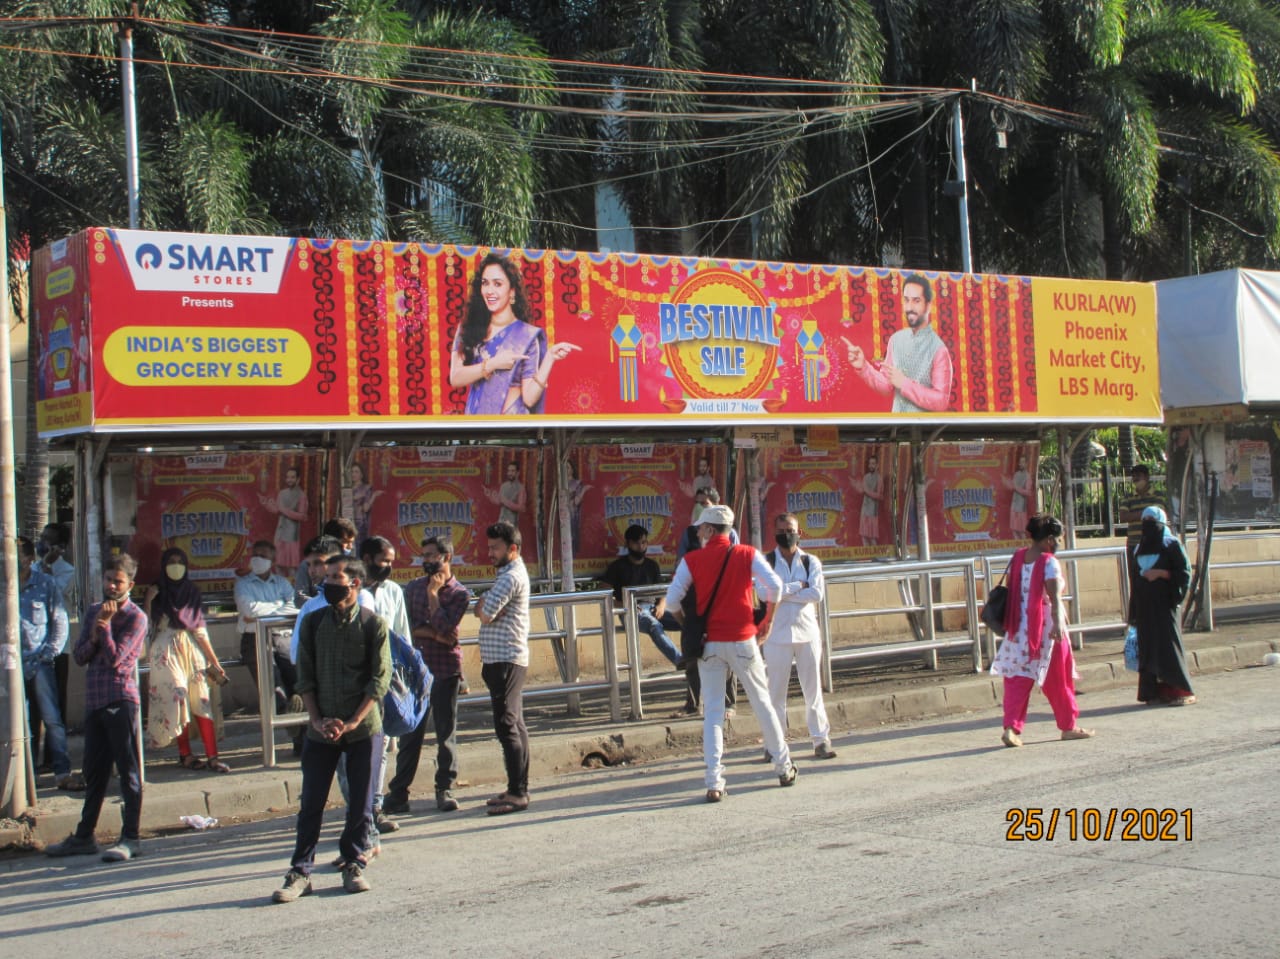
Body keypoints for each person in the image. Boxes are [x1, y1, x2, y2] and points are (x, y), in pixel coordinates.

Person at [273, 555, 390, 902]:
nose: (329, 583)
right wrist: (316, 719)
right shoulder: (313, 622)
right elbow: (304, 676)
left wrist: (353, 720)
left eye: (336, 577)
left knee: (361, 803)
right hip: (321, 728)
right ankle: (300, 871)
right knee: (311, 802)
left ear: (355, 583)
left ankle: (354, 862)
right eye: (326, 577)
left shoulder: (373, 625)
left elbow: (379, 680)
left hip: (362, 727)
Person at [664, 505, 796, 803]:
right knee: (763, 704)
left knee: (712, 712)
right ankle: (783, 767)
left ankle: (714, 782)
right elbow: (774, 587)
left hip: (709, 645)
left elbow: (672, 601)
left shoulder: (691, 560)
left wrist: (689, 627)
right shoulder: (747, 554)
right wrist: (768, 621)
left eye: (700, 529)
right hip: (743, 641)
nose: (697, 533)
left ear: (710, 530)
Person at [45, 554, 149, 863]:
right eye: (108, 579)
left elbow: (119, 660)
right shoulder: (93, 611)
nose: (112, 586)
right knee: (94, 772)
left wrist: (103, 629)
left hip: (120, 699)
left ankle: (131, 837)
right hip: (94, 701)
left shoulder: (135, 617)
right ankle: (84, 836)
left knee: (128, 771)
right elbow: (80, 656)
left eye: (118, 581)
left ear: (130, 584)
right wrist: (97, 629)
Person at [990, 514, 1096, 747]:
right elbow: (1054, 598)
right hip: (1046, 630)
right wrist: (1058, 624)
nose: (1059, 543)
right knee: (1059, 678)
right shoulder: (1048, 562)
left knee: (1016, 680)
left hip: (1018, 630)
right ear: (1048, 539)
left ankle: (1011, 728)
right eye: (1058, 539)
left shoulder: (1018, 557)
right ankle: (1068, 726)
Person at [386, 536, 471, 815]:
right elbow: (409, 629)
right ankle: (399, 793)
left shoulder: (459, 593)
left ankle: (444, 788)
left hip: (445, 669)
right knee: (411, 733)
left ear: (446, 558)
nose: (426, 560)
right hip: (417, 671)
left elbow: (449, 630)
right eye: (423, 555)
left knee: (446, 732)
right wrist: (435, 633)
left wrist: (435, 598)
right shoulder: (412, 589)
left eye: (432, 555)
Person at [448, 252, 581, 415]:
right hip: (477, 428)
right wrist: (493, 364)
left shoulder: (527, 335)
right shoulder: (468, 328)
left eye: (497, 284)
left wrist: (550, 359)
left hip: (515, 428)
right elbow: (455, 378)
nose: (490, 291)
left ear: (511, 292)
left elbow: (529, 399)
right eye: (485, 283)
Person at [143, 547, 231, 773]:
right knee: (178, 698)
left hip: (190, 649)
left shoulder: (191, 592)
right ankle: (185, 754)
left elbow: (200, 631)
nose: (175, 565)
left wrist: (214, 660)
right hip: (165, 651)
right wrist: (148, 601)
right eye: (171, 561)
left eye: (179, 561)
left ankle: (213, 757)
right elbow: (145, 627)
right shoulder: (157, 591)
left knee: (201, 701)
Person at [762, 514, 837, 761]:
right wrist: (797, 586)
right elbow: (764, 594)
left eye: (790, 529)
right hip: (776, 635)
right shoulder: (767, 561)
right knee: (775, 693)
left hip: (807, 633)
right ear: (775, 532)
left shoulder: (810, 561)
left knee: (812, 690)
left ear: (799, 532)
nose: (786, 533)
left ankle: (820, 740)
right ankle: (775, 745)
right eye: (782, 529)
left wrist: (783, 591)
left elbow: (816, 593)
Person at [475, 521, 532, 815]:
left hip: (506, 660)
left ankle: (518, 792)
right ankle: (516, 787)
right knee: (515, 724)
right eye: (489, 547)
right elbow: (489, 612)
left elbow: (485, 613)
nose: (490, 553)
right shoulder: (507, 575)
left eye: (495, 548)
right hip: (502, 659)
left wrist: (481, 607)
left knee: (507, 725)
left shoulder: (510, 577)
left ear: (512, 548)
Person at [357, 535, 411, 835]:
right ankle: (359, 808)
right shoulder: (352, 590)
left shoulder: (393, 591)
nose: (388, 567)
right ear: (366, 559)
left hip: (387, 680)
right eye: (383, 561)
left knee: (384, 745)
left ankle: (374, 808)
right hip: (357, 681)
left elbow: (403, 635)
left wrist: (407, 679)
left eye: (391, 562)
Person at [17, 535, 77, 791]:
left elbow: (60, 621)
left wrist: (49, 653)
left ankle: (62, 772)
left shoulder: (45, 583)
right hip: (11, 665)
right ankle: (23, 778)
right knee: (17, 722)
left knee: (51, 719)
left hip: (40, 661)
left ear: (29, 559)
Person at [843, 273, 953, 412]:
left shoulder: (938, 349)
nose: (909, 307)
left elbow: (941, 401)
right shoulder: (896, 339)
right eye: (906, 300)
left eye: (916, 301)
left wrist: (904, 384)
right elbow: (886, 385)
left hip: (926, 430)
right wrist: (863, 366)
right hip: (897, 428)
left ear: (928, 305)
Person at [1129, 506, 1196, 706]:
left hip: (1166, 604)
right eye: (1145, 519)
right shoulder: (1139, 547)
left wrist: (1160, 574)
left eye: (1152, 519)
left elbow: (1184, 573)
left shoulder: (1171, 544)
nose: (1148, 523)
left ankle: (1182, 691)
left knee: (1169, 646)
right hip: (1145, 607)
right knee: (1149, 648)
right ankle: (1155, 692)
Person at [601, 524, 681, 670]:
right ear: (628, 544)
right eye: (636, 543)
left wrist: (661, 605)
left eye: (644, 542)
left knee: (687, 622)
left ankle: (698, 659)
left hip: (653, 609)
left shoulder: (652, 566)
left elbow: (661, 591)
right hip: (630, 612)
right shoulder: (617, 567)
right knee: (654, 625)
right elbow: (604, 594)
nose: (641, 546)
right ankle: (681, 662)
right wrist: (622, 605)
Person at [234, 540, 299, 714]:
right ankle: (283, 715)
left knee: (297, 681)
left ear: (273, 561)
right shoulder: (243, 583)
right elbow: (249, 610)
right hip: (254, 639)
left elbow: (295, 606)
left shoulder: (282, 583)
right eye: (255, 555)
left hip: (283, 636)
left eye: (262, 556)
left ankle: (299, 722)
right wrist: (279, 605)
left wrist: (260, 613)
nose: (257, 559)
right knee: (272, 686)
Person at [34, 522, 74, 769]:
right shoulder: (34, 568)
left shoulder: (68, 571)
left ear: (60, 546)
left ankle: (53, 758)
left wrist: (49, 566)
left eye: (49, 539)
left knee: (55, 706)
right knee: (34, 708)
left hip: (59, 648)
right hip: (34, 649)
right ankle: (31, 757)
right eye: (42, 538)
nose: (43, 543)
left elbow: (54, 597)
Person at [1119, 465, 1163, 583]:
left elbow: (1156, 515)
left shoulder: (1158, 495)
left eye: (1138, 475)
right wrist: (1146, 512)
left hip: (1153, 544)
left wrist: (1134, 515)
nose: (1135, 479)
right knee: (1135, 578)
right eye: (1133, 476)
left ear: (1147, 477)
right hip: (1134, 543)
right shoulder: (1128, 497)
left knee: (1154, 579)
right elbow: (1123, 517)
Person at [260, 466, 309, 572]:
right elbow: (277, 510)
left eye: (292, 477)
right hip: (280, 533)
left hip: (292, 536)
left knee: (291, 568)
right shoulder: (282, 493)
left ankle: (291, 587)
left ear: (298, 479)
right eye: (288, 477)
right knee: (278, 565)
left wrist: (284, 510)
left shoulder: (301, 496)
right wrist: (267, 505)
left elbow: (302, 516)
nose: (289, 480)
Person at [851, 453, 884, 546]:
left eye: (873, 463)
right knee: (863, 536)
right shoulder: (865, 477)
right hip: (864, 510)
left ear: (877, 465)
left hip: (873, 512)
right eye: (870, 464)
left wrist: (866, 491)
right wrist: (857, 486)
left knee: (872, 538)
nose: (871, 466)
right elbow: (862, 491)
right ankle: (868, 558)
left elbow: (880, 496)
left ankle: (875, 557)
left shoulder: (879, 479)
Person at [349, 462, 382, 545]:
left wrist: (373, 496)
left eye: (356, 472)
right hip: (347, 521)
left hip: (359, 523)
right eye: (352, 472)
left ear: (362, 474)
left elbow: (366, 508)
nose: (353, 474)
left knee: (358, 547)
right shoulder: (347, 488)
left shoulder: (366, 488)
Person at [489, 461, 527, 527]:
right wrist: (492, 496)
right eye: (509, 471)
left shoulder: (521, 488)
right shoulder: (503, 486)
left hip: (512, 524)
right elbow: (499, 502)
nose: (509, 473)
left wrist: (506, 501)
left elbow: (521, 508)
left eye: (512, 471)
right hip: (501, 521)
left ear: (518, 473)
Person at [1004, 453, 1033, 538]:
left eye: (1023, 462)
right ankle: (1017, 549)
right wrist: (1006, 482)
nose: (1020, 464)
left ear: (1027, 463)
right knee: (1014, 530)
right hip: (1014, 505)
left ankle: (1023, 548)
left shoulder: (1028, 476)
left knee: (1021, 531)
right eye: (1020, 462)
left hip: (1021, 508)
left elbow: (1028, 492)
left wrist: (1016, 488)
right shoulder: (1016, 474)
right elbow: (1011, 487)